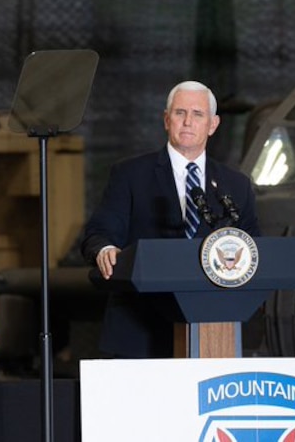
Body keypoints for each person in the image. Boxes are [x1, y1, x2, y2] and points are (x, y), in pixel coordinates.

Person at [81, 80, 260, 358]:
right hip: (139, 330)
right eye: (180, 113)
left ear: (213, 125)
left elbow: (254, 250)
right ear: (167, 120)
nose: (188, 122)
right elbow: (100, 231)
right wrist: (105, 249)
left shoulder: (235, 185)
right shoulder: (130, 174)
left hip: (213, 333)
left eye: (197, 114)